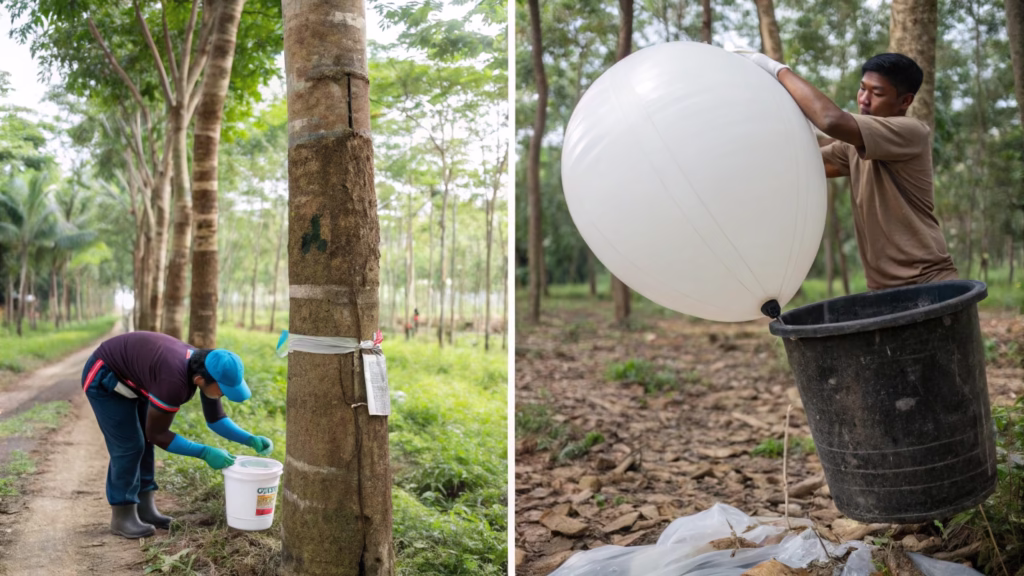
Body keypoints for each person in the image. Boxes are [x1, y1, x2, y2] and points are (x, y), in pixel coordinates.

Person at [737, 51, 958, 290]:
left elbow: (830, 120)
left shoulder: (912, 132)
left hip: (930, 283)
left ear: (905, 101)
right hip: (884, 289)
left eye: (877, 93)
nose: (864, 99)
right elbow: (801, 163)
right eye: (862, 89)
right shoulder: (852, 147)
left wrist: (775, 68)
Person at [81, 331, 274, 539]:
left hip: (136, 378)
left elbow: (215, 419)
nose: (224, 395)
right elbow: (158, 434)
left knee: (144, 441)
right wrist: (205, 453)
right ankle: (122, 515)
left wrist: (249, 439)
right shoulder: (174, 382)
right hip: (104, 375)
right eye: (223, 391)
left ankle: (145, 508)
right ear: (199, 380)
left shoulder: (206, 366)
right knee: (130, 446)